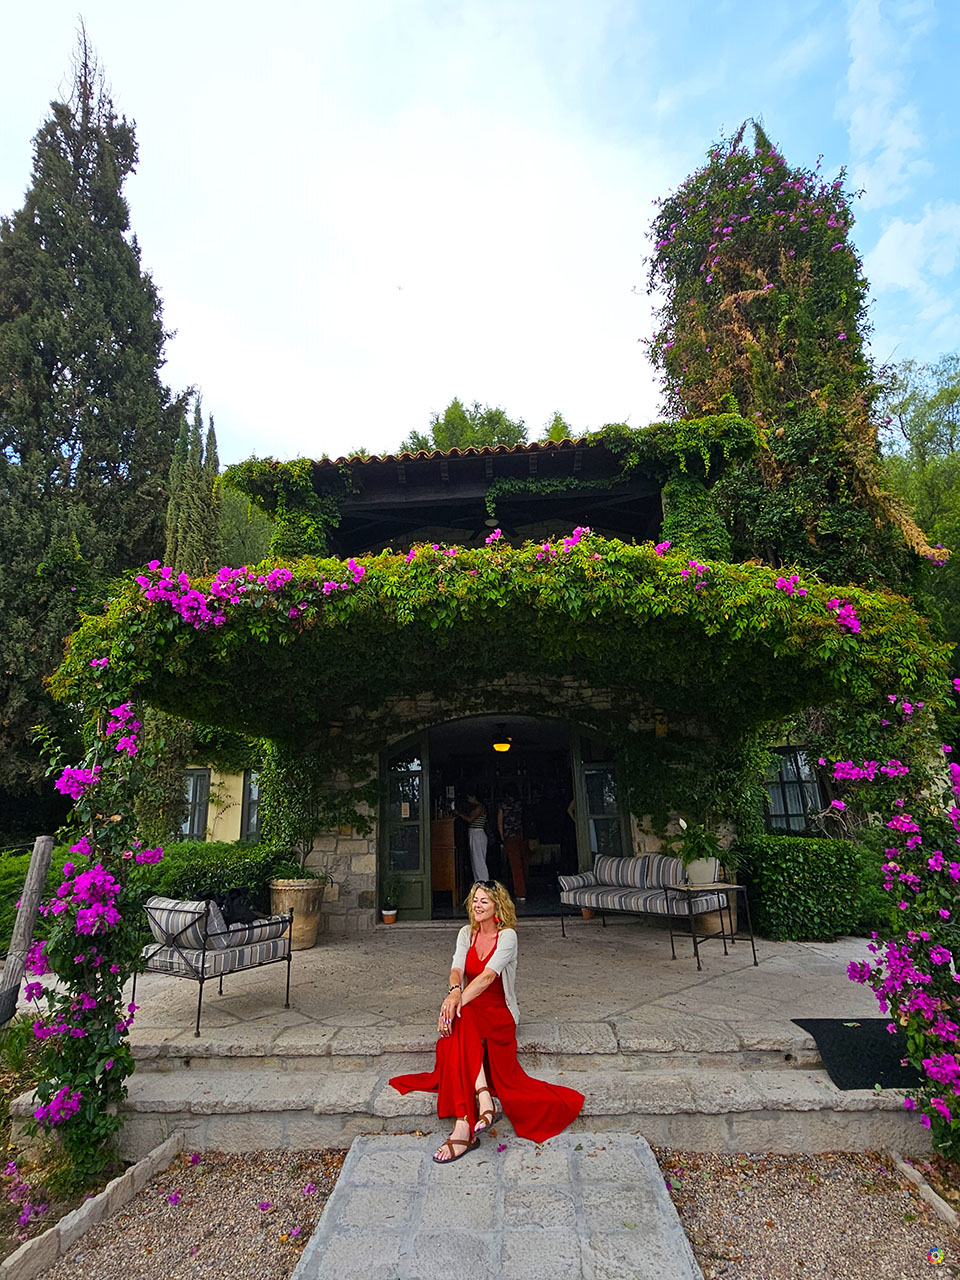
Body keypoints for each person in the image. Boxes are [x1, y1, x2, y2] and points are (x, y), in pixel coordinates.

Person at [388, 880, 584, 1164]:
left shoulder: (508, 937)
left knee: (457, 1025)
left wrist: (455, 1004)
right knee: (459, 1026)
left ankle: (465, 1122)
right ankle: (477, 1104)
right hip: (470, 1006)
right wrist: (454, 992)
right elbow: (456, 970)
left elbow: (488, 977)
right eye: (475, 900)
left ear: (497, 907)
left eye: (484, 901)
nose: (477, 906)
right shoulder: (466, 933)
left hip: (498, 1012)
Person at [497, 788, 528, 901]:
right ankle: (524, 888)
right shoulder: (521, 804)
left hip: (510, 837)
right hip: (522, 835)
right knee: (524, 863)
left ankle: (520, 892)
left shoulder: (503, 805)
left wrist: (502, 837)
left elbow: (500, 823)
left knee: (515, 866)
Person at [455, 792, 489, 881]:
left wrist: (459, 813)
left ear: (474, 797)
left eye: (469, 798)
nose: (469, 800)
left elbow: (470, 819)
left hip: (477, 834)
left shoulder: (480, 807)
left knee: (479, 860)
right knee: (476, 860)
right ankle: (479, 881)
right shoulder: (477, 807)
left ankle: (483, 881)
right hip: (475, 834)